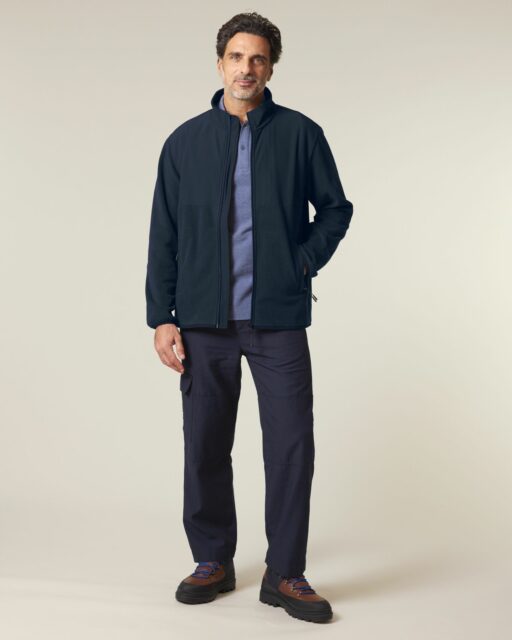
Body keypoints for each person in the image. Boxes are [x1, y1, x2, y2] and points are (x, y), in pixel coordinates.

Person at [145, 11, 353, 624]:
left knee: (291, 446)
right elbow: (164, 233)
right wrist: (162, 315)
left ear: (271, 68)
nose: (246, 68)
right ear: (220, 64)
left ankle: (285, 573)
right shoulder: (184, 142)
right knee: (205, 444)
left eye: (258, 58)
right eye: (236, 57)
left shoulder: (300, 134)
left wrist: (300, 263)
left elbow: (335, 209)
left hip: (276, 319)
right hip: (202, 321)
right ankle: (213, 559)